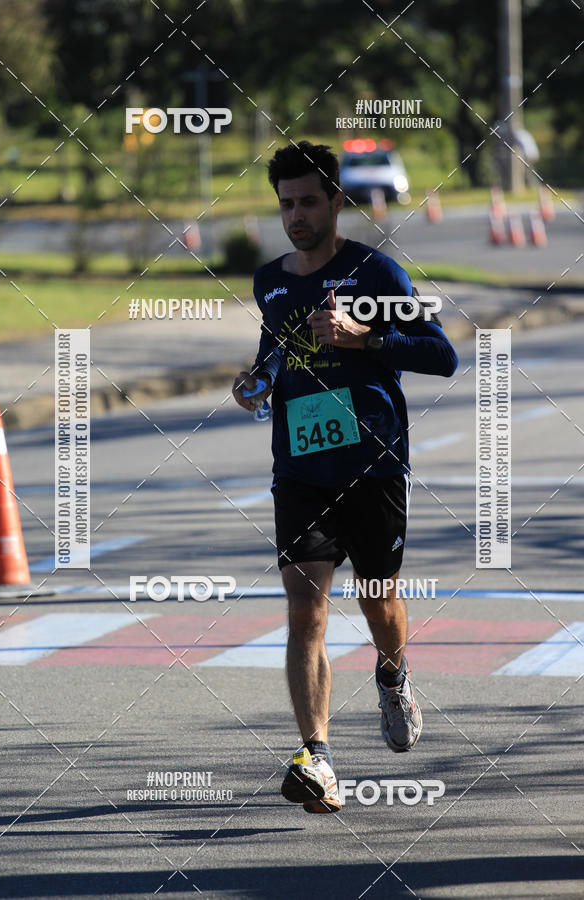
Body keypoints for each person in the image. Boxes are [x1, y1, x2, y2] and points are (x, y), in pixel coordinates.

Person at [232, 141, 458, 814]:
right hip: (300, 466)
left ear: (336, 201)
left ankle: (392, 673)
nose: (295, 216)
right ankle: (318, 757)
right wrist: (255, 383)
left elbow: (442, 355)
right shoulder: (270, 281)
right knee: (305, 611)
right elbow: (275, 353)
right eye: (286, 205)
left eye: (308, 201)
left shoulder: (378, 273)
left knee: (377, 599)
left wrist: (366, 338)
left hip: (373, 463)